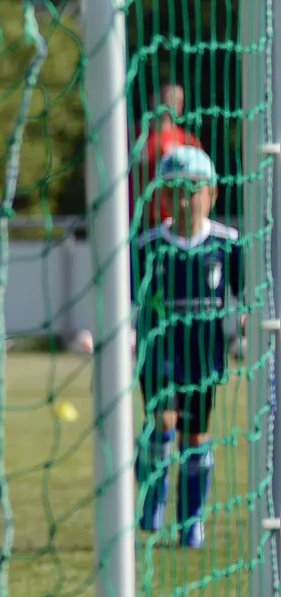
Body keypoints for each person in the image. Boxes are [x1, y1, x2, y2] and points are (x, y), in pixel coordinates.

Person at [132, 145, 241, 549]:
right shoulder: (147, 246)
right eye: (174, 190)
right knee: (163, 422)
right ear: (161, 196)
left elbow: (243, 293)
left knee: (195, 437)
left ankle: (191, 521)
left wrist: (246, 321)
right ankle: (153, 502)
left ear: (211, 193)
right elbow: (131, 301)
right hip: (161, 350)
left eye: (193, 189)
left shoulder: (227, 243)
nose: (184, 199)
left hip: (204, 353)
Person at [133, 82, 203, 228]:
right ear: (153, 100)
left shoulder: (187, 141)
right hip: (137, 219)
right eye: (166, 100)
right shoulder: (133, 138)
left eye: (177, 101)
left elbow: (203, 182)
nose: (170, 105)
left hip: (173, 222)